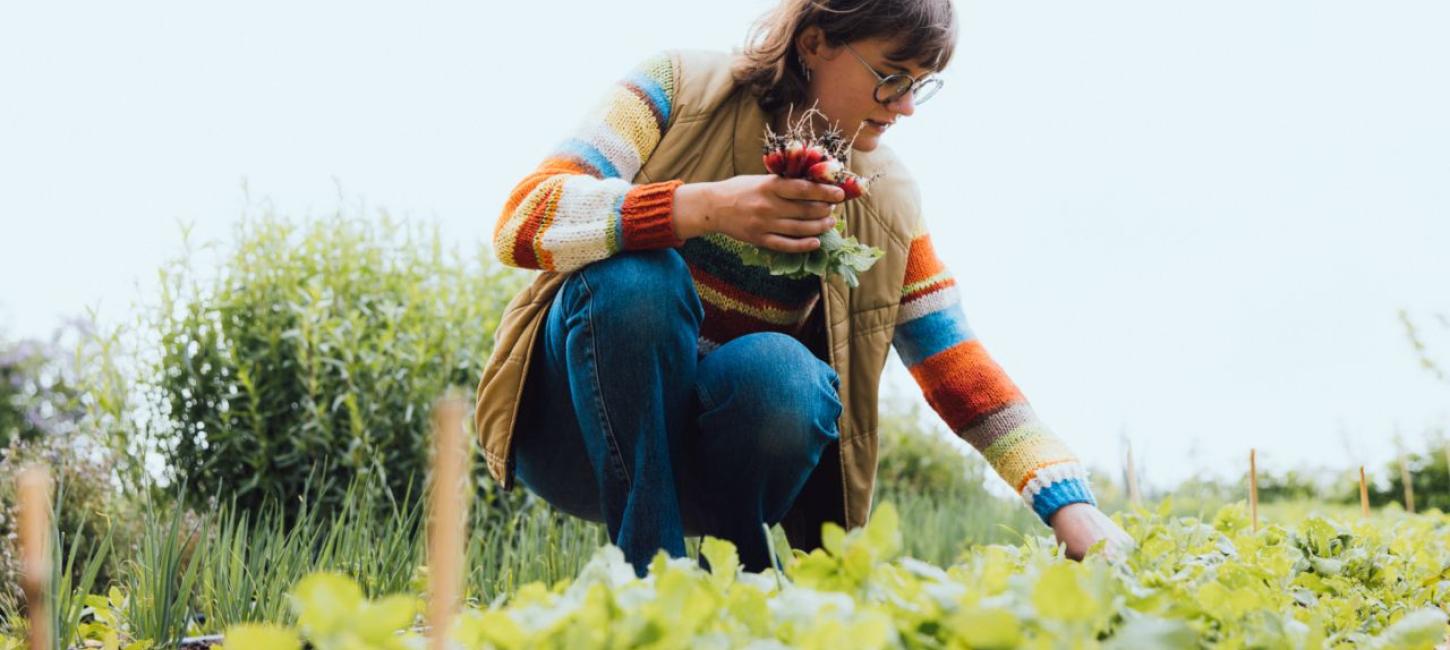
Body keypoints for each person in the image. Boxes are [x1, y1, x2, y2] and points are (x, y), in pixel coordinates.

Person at [474, 0, 1134, 576]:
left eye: (921, 86)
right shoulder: (676, 86)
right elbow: (523, 218)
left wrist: (1067, 503)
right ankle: (654, 577)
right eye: (891, 76)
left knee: (788, 374)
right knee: (637, 276)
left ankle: (742, 580)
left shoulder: (885, 198)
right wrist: (703, 208)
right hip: (575, 435)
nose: (905, 107)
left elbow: (955, 361)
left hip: (719, 457)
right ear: (814, 42)